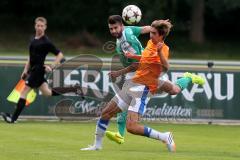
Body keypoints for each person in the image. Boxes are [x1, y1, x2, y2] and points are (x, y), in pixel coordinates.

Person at [1, 17, 82, 123]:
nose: (39, 28)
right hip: (33, 70)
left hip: (38, 71)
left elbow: (60, 55)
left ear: (45, 27)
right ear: (35, 26)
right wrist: (25, 70)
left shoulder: (46, 42)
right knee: (47, 93)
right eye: (38, 25)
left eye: (42, 26)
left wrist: (52, 66)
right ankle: (73, 89)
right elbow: (30, 57)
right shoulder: (33, 40)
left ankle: (13, 119)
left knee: (24, 92)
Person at [105, 15, 151, 144]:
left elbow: (136, 64)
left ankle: (187, 78)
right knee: (123, 103)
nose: (113, 31)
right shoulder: (128, 29)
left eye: (115, 28)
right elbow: (144, 29)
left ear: (121, 26)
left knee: (172, 89)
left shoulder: (126, 41)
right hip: (137, 73)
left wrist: (118, 73)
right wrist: (156, 26)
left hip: (142, 72)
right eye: (111, 28)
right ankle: (120, 135)